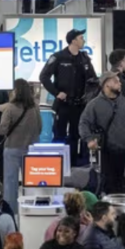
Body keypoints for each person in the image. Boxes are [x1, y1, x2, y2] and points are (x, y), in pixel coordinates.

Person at [40, 28, 97, 163]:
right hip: (63, 105)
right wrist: (56, 93)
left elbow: (93, 80)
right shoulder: (58, 57)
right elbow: (44, 76)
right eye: (81, 38)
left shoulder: (84, 58)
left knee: (77, 135)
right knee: (59, 134)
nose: (83, 40)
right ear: (73, 41)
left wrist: (89, 97)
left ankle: (77, 165)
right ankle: (58, 164)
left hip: (80, 105)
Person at [79, 72, 125, 195]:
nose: (120, 84)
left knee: (122, 184)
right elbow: (83, 123)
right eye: (116, 81)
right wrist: (89, 139)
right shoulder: (94, 105)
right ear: (106, 84)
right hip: (105, 152)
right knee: (109, 184)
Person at [0, 78, 43, 216]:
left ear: (16, 91)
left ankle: (10, 212)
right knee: (31, 182)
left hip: (12, 148)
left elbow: (2, 130)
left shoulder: (10, 108)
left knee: (10, 183)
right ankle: (30, 209)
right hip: (31, 149)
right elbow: (40, 128)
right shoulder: (35, 107)